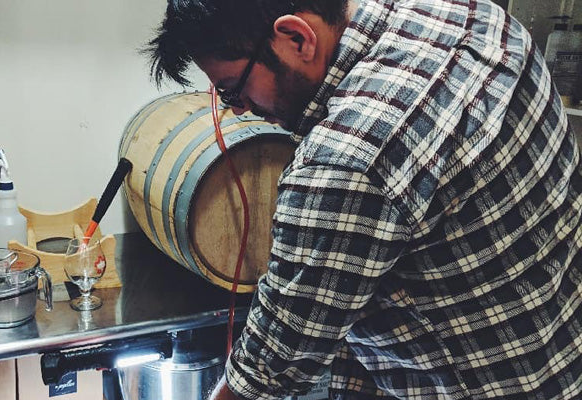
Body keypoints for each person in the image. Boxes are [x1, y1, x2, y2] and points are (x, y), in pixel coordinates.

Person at [144, 0, 582, 399]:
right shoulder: (475, 15)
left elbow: (274, 362)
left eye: (233, 88)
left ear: (298, 37)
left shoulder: (347, 162)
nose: (237, 109)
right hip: (563, 354)